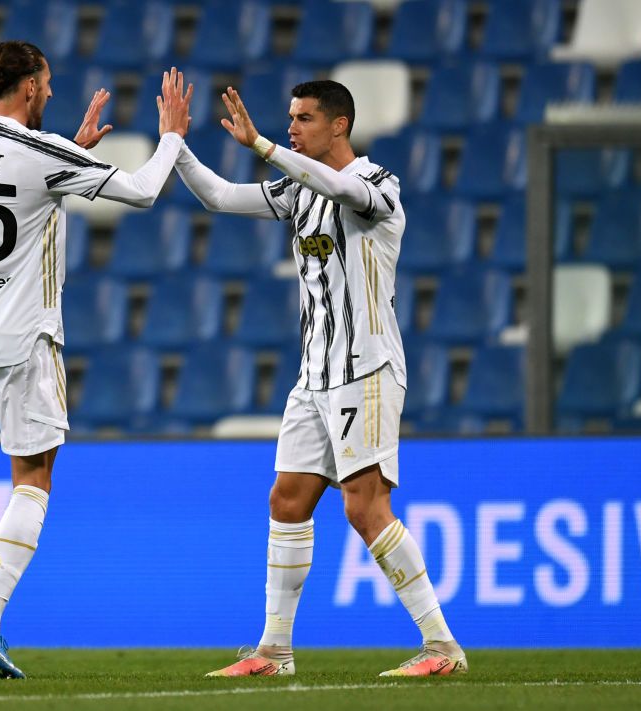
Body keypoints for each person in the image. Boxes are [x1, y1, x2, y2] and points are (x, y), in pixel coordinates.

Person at [173, 81, 467, 678]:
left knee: (365, 508)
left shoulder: (378, 184)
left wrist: (259, 144)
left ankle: (442, 649)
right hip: (314, 374)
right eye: (289, 119)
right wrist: (174, 146)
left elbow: (336, 185)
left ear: (340, 126)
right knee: (288, 499)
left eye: (304, 119)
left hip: (367, 368)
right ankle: (274, 652)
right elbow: (222, 198)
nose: (293, 127)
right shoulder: (296, 189)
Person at [0, 41, 192, 679]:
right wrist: (169, 138)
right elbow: (140, 191)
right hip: (22, 336)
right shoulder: (41, 152)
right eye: (46, 85)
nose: (50, 93)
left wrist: (71, 152)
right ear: (28, 88)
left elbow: (19, 182)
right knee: (34, 474)